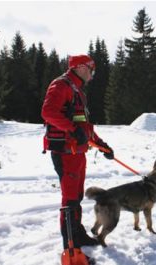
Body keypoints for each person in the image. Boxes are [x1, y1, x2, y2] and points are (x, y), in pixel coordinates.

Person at [41, 54, 114, 252]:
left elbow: (84, 128)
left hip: (77, 153)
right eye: (92, 70)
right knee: (70, 199)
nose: (92, 75)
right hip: (65, 152)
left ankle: (78, 234)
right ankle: (71, 247)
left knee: (77, 196)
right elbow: (48, 112)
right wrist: (72, 129)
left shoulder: (78, 91)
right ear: (81, 68)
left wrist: (102, 145)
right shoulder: (61, 85)